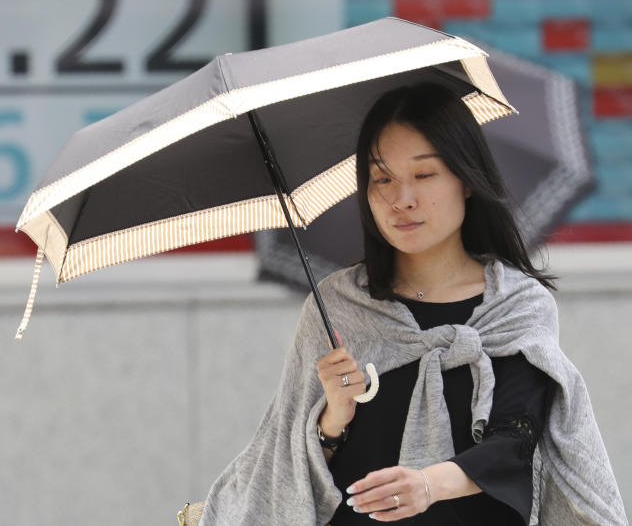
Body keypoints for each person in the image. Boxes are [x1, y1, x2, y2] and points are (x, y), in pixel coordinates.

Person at [199, 83, 627, 526]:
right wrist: (331, 422)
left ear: (466, 180)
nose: (402, 199)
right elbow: (282, 470)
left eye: (424, 175)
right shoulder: (338, 308)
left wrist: (428, 484)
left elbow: (514, 442)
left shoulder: (516, 306)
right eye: (382, 179)